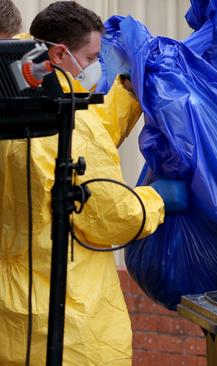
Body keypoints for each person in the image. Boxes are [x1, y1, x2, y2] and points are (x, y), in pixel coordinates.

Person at [0, 2, 188, 365]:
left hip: (12, 317)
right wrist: (155, 201)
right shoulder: (53, 114)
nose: (95, 67)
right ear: (58, 53)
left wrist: (128, 93)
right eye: (91, 56)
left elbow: (84, 131)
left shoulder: (19, 101)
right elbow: (106, 214)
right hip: (67, 322)